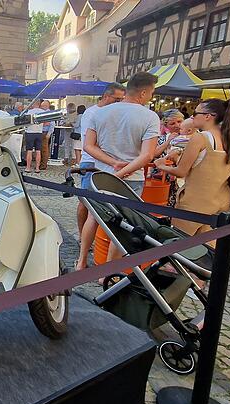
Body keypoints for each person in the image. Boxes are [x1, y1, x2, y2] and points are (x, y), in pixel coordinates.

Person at [78, 73, 158, 270]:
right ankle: (106, 271)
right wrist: (121, 172)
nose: (151, 96)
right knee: (121, 225)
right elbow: (147, 156)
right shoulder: (150, 117)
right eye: (152, 92)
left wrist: (113, 164)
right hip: (132, 178)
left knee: (93, 217)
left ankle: (81, 263)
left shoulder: (100, 112)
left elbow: (88, 146)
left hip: (100, 174)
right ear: (144, 92)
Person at [155, 99, 230, 237]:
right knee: (209, 249)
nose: (192, 116)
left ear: (208, 116)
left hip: (194, 202)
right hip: (221, 201)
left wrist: (161, 166)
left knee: (178, 247)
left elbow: (181, 171)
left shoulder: (200, 138)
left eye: (196, 112)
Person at [24, 100, 45, 173]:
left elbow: (26, 122)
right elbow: (46, 122)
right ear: (39, 104)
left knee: (29, 151)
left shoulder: (29, 112)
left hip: (30, 132)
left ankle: (28, 167)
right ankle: (37, 168)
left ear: (33, 104)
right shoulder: (43, 112)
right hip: (39, 133)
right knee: (38, 151)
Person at [39, 100, 54, 170]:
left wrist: (49, 133)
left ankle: (43, 165)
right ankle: (41, 163)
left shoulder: (49, 113)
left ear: (46, 106)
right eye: (41, 106)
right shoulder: (42, 112)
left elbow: (52, 124)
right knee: (41, 149)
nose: (41, 107)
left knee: (44, 149)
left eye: (42, 106)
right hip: (41, 132)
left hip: (45, 132)